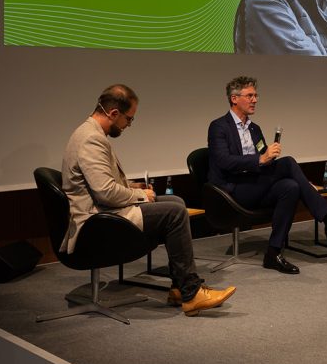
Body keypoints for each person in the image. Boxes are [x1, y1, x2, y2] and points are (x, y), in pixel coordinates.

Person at [62, 84, 235, 316]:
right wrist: (142, 195)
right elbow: (105, 193)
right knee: (174, 213)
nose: (128, 125)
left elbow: (100, 184)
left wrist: (132, 187)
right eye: (129, 119)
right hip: (97, 222)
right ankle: (191, 292)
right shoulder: (91, 139)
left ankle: (179, 288)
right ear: (114, 113)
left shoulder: (91, 133)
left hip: (103, 211)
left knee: (176, 202)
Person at [207, 76, 327, 274]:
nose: (255, 100)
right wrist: (261, 159)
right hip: (232, 191)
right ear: (234, 98)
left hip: (255, 184)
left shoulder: (254, 129)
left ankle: (273, 253)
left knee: (291, 187)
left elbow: (265, 161)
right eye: (249, 96)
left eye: (256, 95)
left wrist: (269, 158)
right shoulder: (219, 126)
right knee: (289, 162)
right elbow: (223, 161)